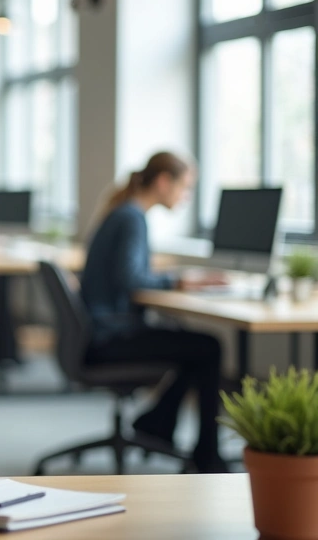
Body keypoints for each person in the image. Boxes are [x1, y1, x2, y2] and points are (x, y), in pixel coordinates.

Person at [80, 151, 228, 473]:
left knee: (192, 345)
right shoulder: (132, 216)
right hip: (111, 335)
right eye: (184, 187)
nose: (186, 196)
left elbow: (125, 272)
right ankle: (206, 455)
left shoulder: (122, 212)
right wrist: (178, 280)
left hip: (101, 330)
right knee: (208, 347)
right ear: (163, 182)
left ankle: (156, 424)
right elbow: (131, 278)